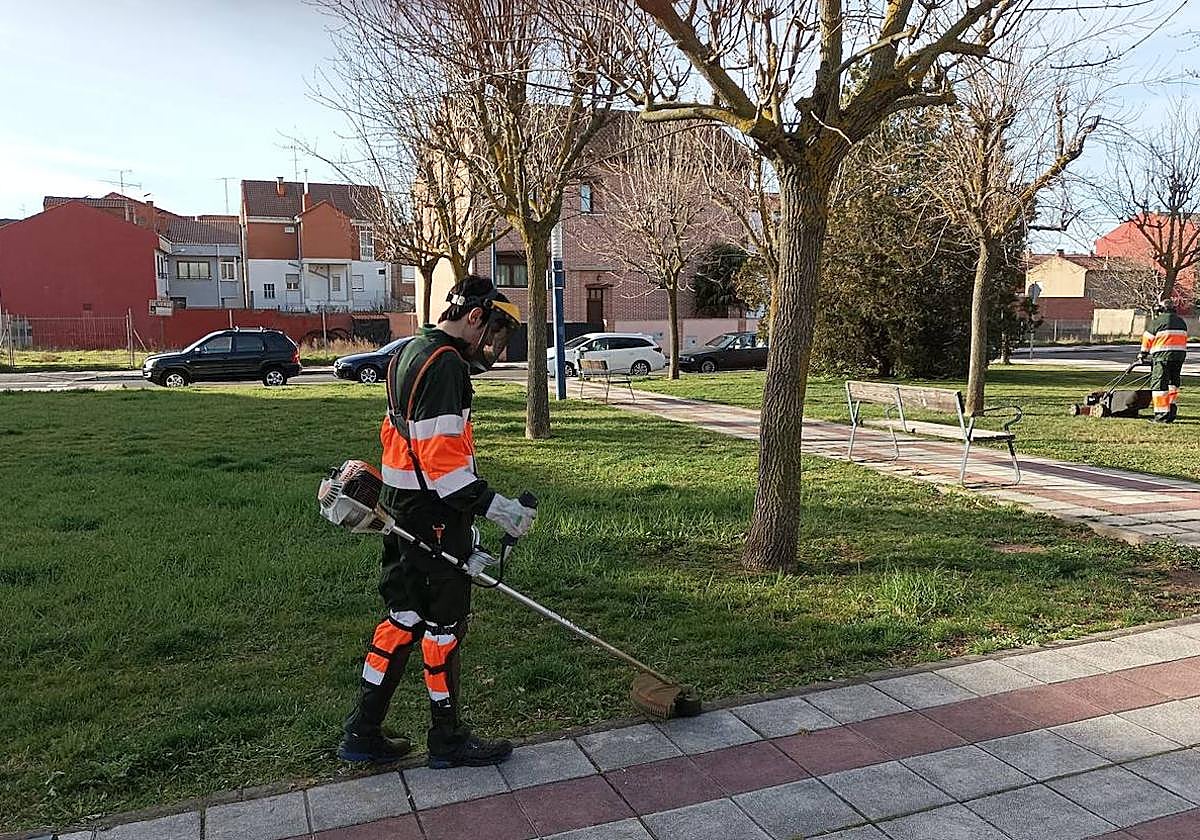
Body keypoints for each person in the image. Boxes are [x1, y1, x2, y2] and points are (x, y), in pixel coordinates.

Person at [339, 275, 537, 768]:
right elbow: (445, 470)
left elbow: (403, 440)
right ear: (475, 316)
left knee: (401, 619)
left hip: (399, 507)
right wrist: (501, 509)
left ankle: (362, 733)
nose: (492, 345)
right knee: (444, 629)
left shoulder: (409, 351)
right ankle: (447, 740)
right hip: (433, 516)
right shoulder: (447, 365)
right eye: (492, 331)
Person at [1138, 298, 1189, 423]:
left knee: (1159, 385)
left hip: (1162, 357)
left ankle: (1161, 415)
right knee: (1173, 383)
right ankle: (1171, 412)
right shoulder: (1181, 322)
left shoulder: (1157, 322)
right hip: (1178, 357)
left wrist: (1143, 354)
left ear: (1160, 309)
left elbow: (1147, 339)